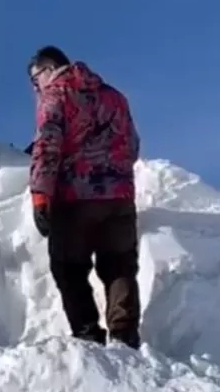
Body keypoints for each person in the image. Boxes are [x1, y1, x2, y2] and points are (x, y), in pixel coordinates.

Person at [25, 45, 142, 349]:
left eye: (35, 80)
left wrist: (40, 196)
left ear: (49, 70)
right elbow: (132, 145)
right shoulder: (114, 96)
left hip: (74, 197)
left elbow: (47, 146)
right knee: (120, 265)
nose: (36, 88)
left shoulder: (55, 95)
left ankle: (88, 335)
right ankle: (124, 335)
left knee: (69, 266)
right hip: (119, 196)